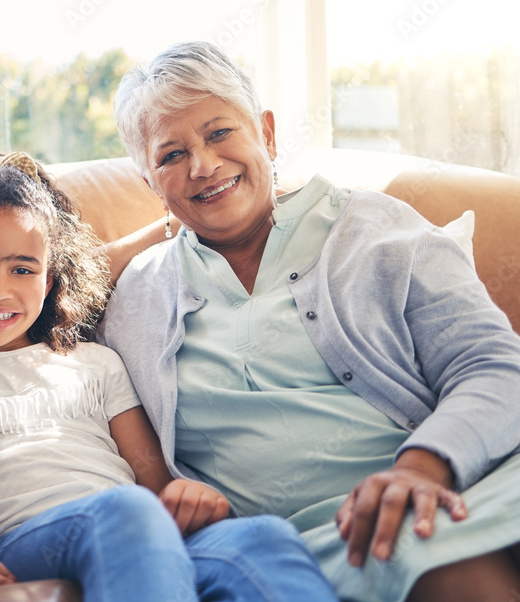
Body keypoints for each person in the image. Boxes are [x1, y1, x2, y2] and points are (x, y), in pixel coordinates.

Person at [99, 41, 520, 602]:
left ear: (266, 134)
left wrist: (423, 467)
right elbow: (13, 290)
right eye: (170, 156)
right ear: (148, 180)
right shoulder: (137, 292)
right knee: (419, 555)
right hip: (275, 550)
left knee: (426, 542)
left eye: (220, 133)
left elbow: (495, 367)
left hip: (444, 485)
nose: (203, 165)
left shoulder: (376, 228)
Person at [0, 151, 340, 600]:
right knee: (128, 511)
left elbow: (156, 485)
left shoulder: (95, 362)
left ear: (49, 282)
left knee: (262, 537)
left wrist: (190, 499)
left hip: (134, 532)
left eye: (22, 270)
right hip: (17, 543)